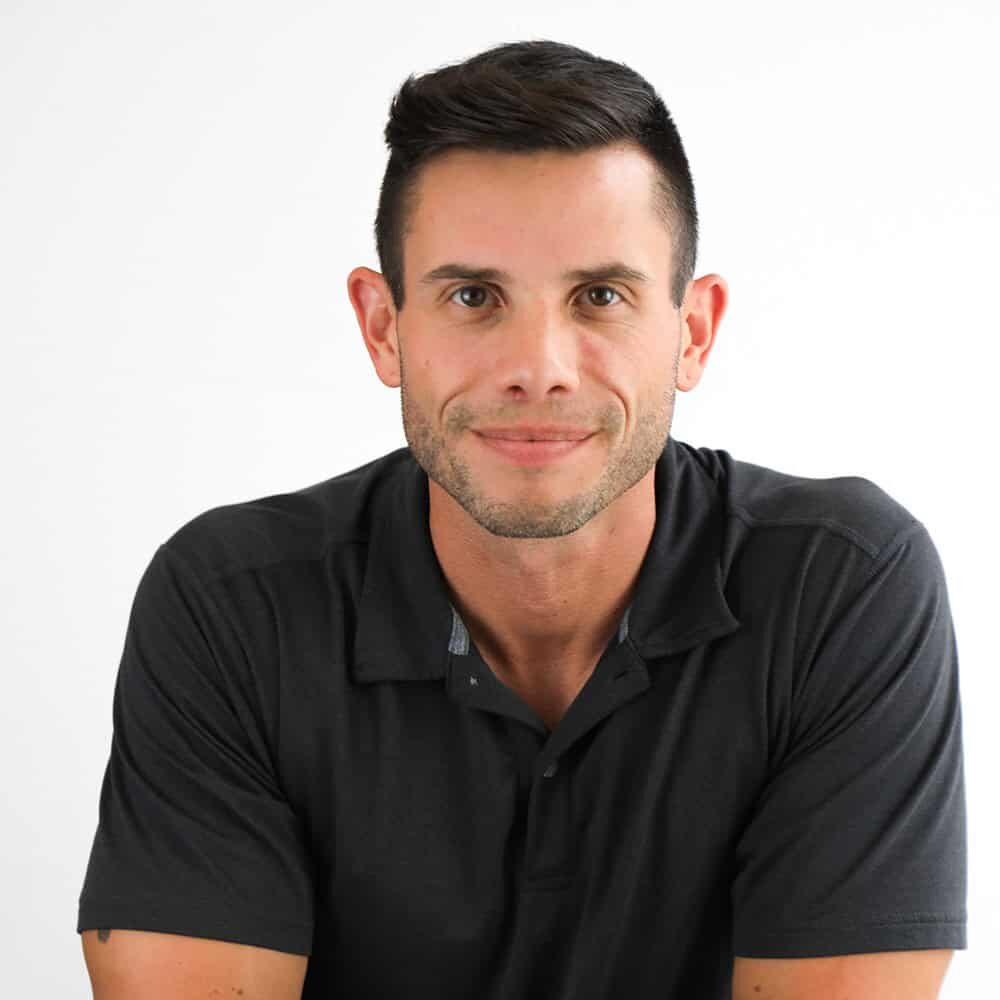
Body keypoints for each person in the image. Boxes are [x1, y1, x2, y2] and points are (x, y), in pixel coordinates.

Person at [77, 39, 966, 999]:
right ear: (384, 328)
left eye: (599, 296)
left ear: (692, 332)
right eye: (473, 295)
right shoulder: (232, 606)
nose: (538, 365)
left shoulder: (842, 585)